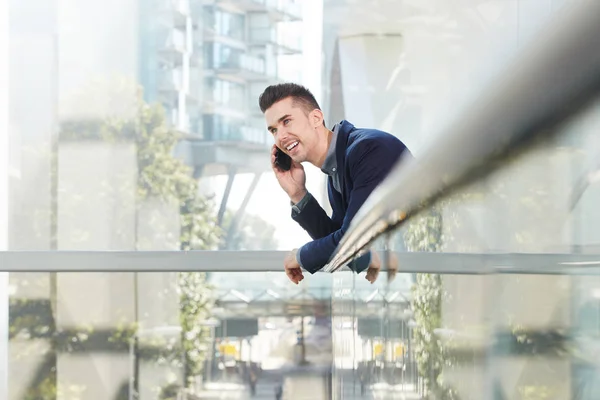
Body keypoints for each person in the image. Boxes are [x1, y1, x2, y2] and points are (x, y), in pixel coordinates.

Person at [259, 83, 410, 284]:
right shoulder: (336, 171)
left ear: (316, 118)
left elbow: (350, 242)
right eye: (274, 130)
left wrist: (300, 256)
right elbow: (340, 245)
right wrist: (298, 194)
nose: (280, 137)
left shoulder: (368, 150)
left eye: (287, 121)